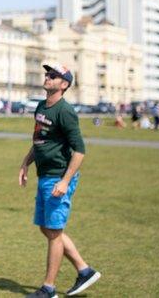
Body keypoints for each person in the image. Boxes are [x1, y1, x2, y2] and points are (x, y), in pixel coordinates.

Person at [19, 63, 100, 298]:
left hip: (58, 177)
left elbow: (80, 150)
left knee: (54, 232)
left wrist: (65, 181)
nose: (48, 77)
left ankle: (49, 289)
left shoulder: (65, 111)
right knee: (47, 227)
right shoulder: (42, 106)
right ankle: (84, 270)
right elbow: (40, 140)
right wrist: (25, 163)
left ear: (64, 85)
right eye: (47, 74)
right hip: (44, 176)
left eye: (53, 75)